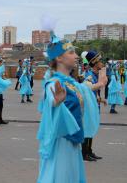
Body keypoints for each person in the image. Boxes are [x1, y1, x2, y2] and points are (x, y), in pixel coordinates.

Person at [37, 31, 86, 183]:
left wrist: (98, 85)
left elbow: (84, 91)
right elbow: (51, 99)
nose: (76, 56)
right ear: (59, 58)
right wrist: (55, 102)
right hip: (62, 142)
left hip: (73, 140)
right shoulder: (54, 83)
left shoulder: (71, 82)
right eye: (71, 52)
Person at [83, 50, 108, 161]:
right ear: (95, 63)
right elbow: (87, 88)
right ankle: (84, 153)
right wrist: (100, 84)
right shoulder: (88, 76)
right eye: (100, 61)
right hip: (88, 107)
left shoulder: (95, 75)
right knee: (87, 129)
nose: (101, 63)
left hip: (94, 105)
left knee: (91, 128)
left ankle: (89, 150)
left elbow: (93, 93)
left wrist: (100, 99)